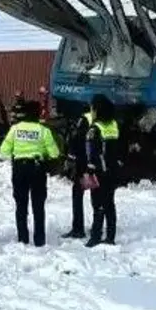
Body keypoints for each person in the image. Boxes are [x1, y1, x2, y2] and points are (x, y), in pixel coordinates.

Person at [0, 100, 59, 247]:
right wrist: (42, 153)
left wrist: (17, 152)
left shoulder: (15, 129)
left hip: (19, 169)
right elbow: (54, 153)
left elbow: (3, 153)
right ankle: (39, 240)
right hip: (37, 169)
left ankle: (22, 238)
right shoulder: (43, 130)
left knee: (21, 204)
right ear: (38, 113)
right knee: (38, 205)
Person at [84, 94, 123, 248]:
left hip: (98, 172)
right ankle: (111, 236)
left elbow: (90, 152)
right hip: (113, 170)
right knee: (110, 203)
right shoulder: (114, 124)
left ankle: (95, 236)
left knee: (97, 204)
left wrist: (89, 171)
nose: (91, 111)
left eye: (92, 108)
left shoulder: (94, 128)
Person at [61, 106, 94, 239]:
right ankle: (97, 227)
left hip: (83, 165)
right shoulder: (105, 120)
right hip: (96, 164)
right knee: (96, 196)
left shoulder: (84, 119)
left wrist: (71, 157)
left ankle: (78, 228)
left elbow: (76, 138)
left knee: (78, 195)